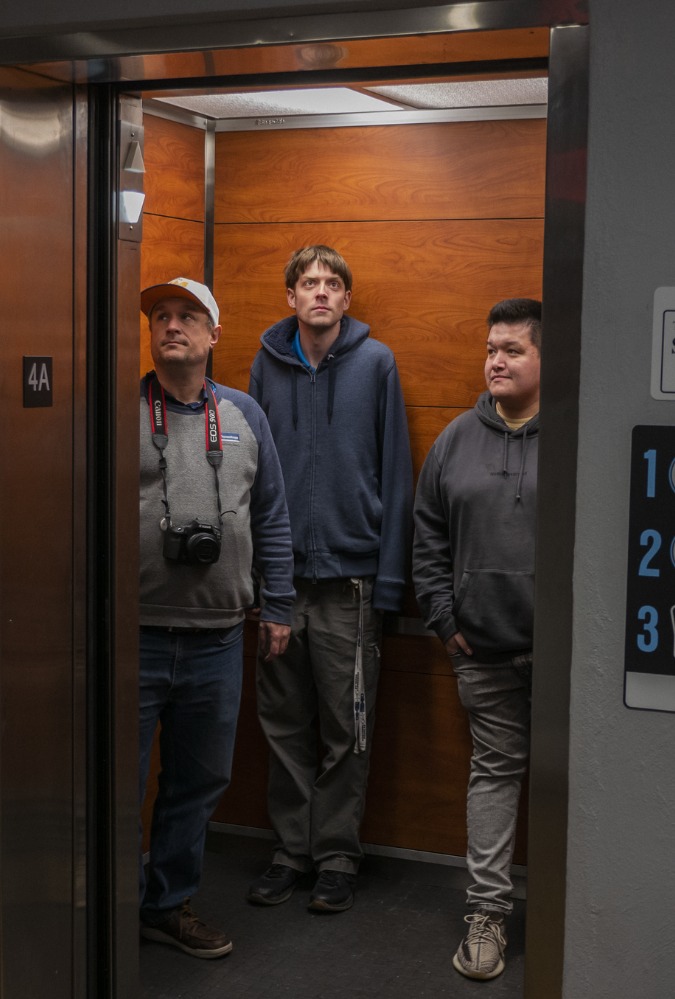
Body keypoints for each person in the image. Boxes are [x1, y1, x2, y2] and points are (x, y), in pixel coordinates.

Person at [246, 245, 413, 913]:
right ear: (291, 296)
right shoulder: (265, 363)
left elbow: (396, 472)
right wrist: (258, 579)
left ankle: (337, 853)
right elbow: (251, 474)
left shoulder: (376, 363)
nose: (319, 292)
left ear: (346, 298)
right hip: (279, 585)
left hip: (350, 582)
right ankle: (292, 850)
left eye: (331, 283)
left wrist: (392, 587)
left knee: (348, 728)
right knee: (283, 724)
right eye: (307, 282)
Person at [138, 277, 294, 958]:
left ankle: (167, 905)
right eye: (161, 316)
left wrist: (279, 604)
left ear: (213, 333)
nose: (172, 326)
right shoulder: (116, 408)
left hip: (217, 638)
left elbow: (273, 515)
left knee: (198, 781)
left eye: (187, 316)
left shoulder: (243, 415)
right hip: (130, 637)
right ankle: (103, 909)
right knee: (117, 781)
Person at [412, 298, 542, 981]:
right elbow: (426, 530)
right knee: (493, 775)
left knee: (570, 783)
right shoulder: (456, 437)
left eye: (512, 349)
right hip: (480, 651)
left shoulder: (574, 434)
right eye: (491, 348)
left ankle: (573, 906)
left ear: (547, 359)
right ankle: (487, 912)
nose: (495, 359)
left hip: (564, 661)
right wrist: (442, 617)